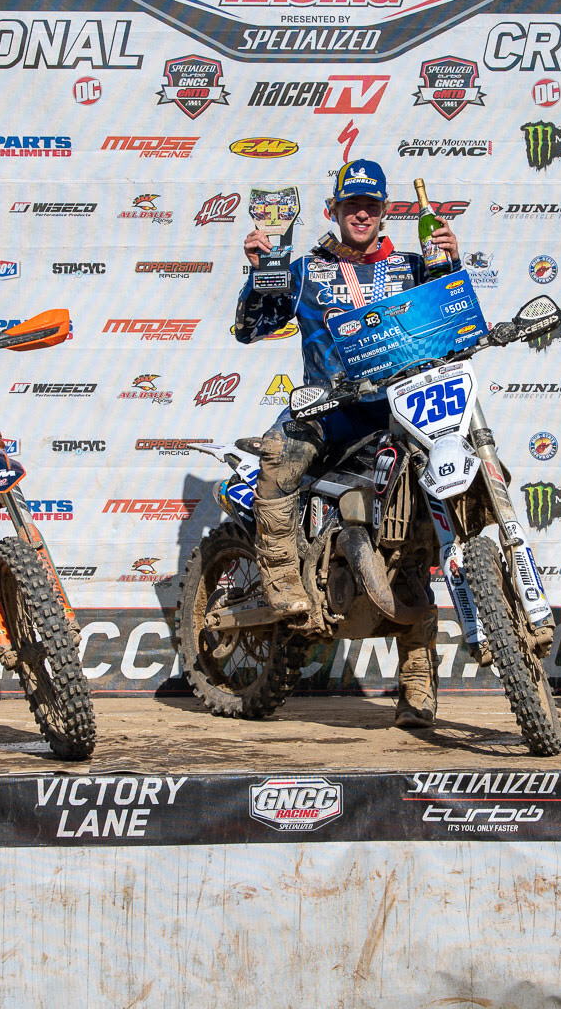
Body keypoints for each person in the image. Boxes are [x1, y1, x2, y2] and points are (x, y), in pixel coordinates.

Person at [233, 159, 459, 728]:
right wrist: (260, 273)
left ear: (386, 213)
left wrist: (451, 269)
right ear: (333, 210)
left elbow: (456, 325)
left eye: (372, 205)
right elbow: (251, 327)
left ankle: (417, 681)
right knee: (277, 453)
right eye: (351, 203)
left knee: (415, 540)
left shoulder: (413, 265)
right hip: (324, 412)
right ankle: (283, 581)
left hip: (396, 415)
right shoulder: (305, 267)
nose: (362, 212)